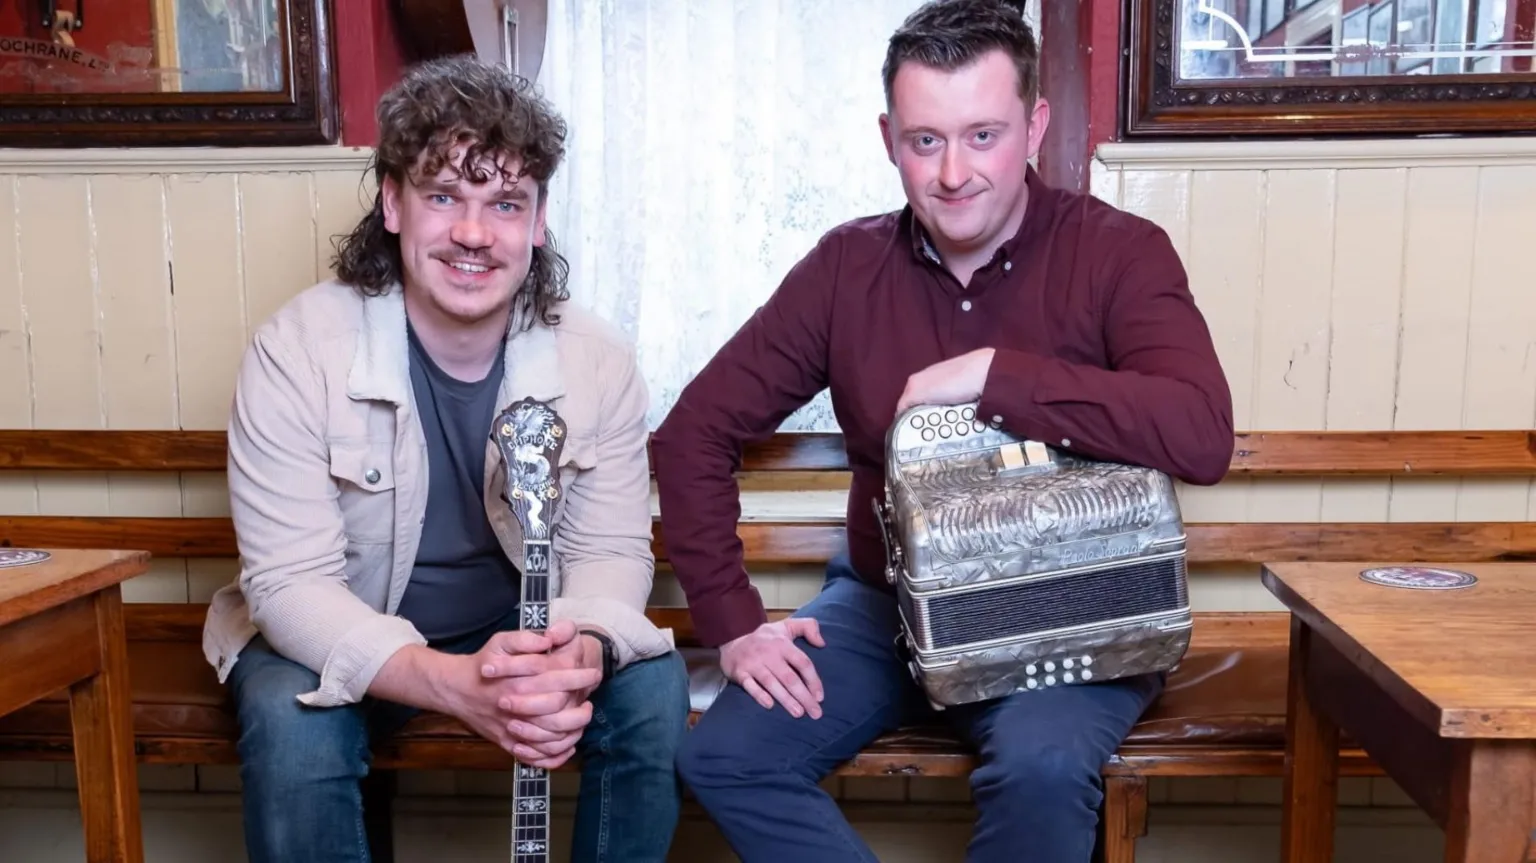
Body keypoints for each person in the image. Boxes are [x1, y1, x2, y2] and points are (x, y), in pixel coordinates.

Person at [651, 1, 1234, 861]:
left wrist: (994, 375)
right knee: (727, 757)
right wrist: (735, 622)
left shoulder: (1121, 252)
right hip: (882, 610)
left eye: (983, 135)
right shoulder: (846, 269)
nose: (955, 172)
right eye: (926, 141)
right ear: (890, 137)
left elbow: (1199, 432)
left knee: (1040, 769)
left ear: (1033, 125)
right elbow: (691, 431)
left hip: (1067, 612)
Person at [201, 55, 689, 863]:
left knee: (652, 688)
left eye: (504, 203)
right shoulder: (297, 349)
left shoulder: (595, 357)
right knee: (291, 722)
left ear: (536, 222)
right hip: (350, 628)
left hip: (522, 630)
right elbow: (289, 585)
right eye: (443, 197)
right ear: (392, 203)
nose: (473, 233)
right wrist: (451, 683)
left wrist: (579, 649)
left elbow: (608, 553)